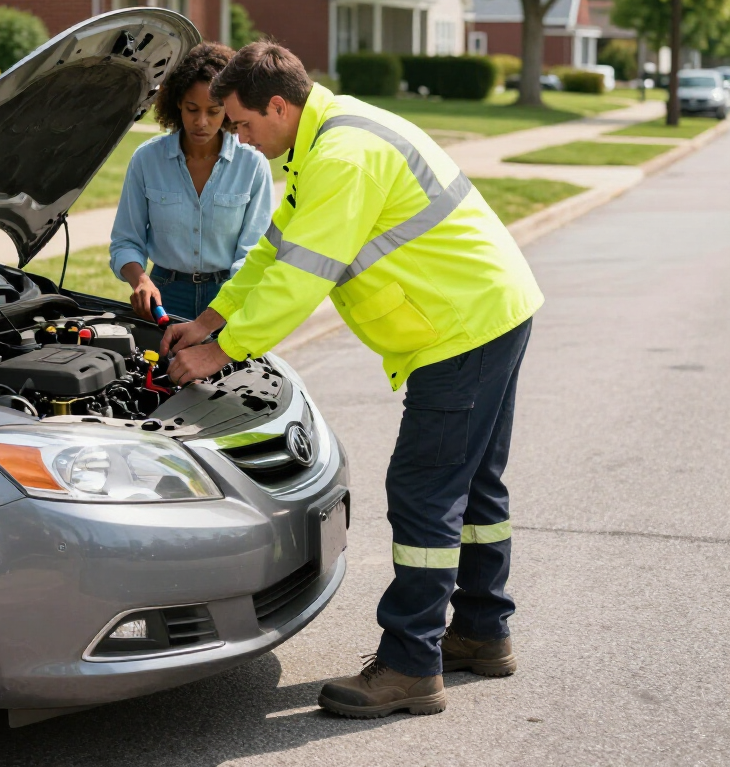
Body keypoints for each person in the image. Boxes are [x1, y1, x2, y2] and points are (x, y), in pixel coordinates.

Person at [162, 41, 543, 719]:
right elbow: (275, 249)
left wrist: (223, 354)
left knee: (424, 492)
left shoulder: (343, 156)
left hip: (462, 328)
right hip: (486, 311)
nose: (238, 138)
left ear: (278, 105)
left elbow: (304, 276)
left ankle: (410, 665)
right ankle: (483, 632)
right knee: (474, 486)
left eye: (244, 123)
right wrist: (212, 318)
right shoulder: (322, 138)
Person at [110, 42, 273, 323]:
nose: (201, 122)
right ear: (177, 104)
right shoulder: (147, 160)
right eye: (192, 109)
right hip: (165, 296)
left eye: (213, 111)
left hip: (230, 294)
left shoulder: (253, 165)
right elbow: (125, 241)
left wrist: (223, 309)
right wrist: (140, 281)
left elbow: (253, 253)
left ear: (230, 109)